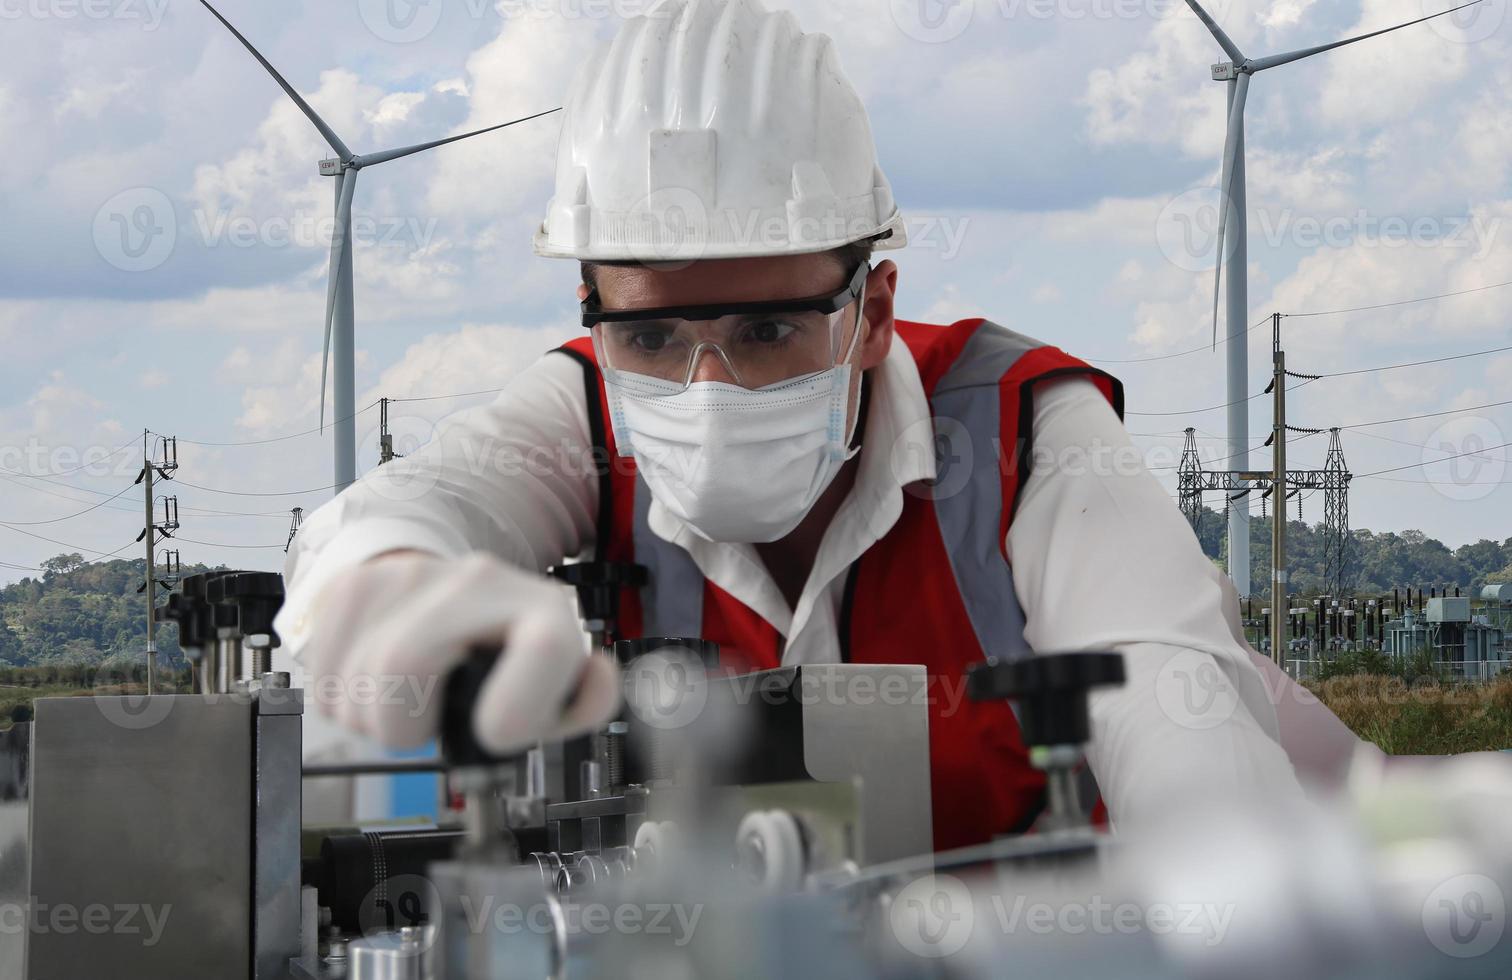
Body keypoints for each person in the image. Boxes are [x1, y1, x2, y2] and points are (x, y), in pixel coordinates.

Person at [279, 0, 1303, 850]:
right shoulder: (583, 407)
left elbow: (1184, 726)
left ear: (875, 312)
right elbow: (424, 500)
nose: (707, 384)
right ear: (590, 310)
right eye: (650, 336)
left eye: (767, 329)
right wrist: (379, 571)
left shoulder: (1027, 433)